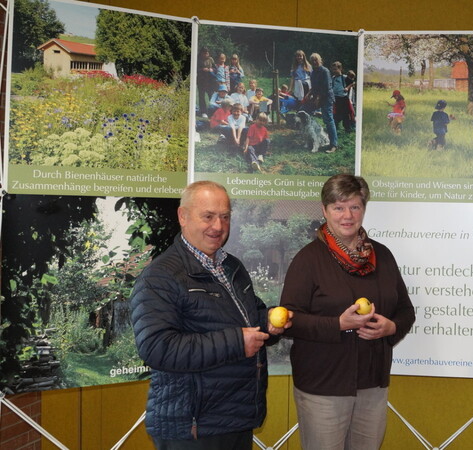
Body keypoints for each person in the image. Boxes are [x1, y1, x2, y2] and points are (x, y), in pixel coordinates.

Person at [130, 181, 291, 449]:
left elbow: (249, 317)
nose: (218, 226)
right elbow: (157, 348)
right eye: (208, 216)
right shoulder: (160, 276)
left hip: (234, 417)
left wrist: (269, 323)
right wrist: (237, 342)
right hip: (192, 428)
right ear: (183, 216)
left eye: (225, 217)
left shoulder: (231, 267)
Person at [280, 174, 416, 450]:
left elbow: (405, 310)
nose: (347, 215)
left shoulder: (383, 255)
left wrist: (391, 328)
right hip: (324, 386)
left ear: (364, 209)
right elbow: (289, 319)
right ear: (325, 210)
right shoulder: (309, 259)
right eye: (338, 207)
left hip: (372, 385)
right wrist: (337, 324)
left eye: (355, 207)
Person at [308, 53, 338, 153]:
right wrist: (309, 94)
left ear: (320, 60)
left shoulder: (325, 71)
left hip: (327, 97)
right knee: (307, 112)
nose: (314, 62)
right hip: (318, 97)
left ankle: (333, 145)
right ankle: (313, 140)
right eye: (312, 61)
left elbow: (326, 87)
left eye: (316, 60)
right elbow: (314, 87)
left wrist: (318, 98)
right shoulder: (313, 73)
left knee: (329, 120)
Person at [331, 61, 355, 133]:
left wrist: (347, 88)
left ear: (340, 69)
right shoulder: (333, 77)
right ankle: (335, 127)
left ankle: (347, 128)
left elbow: (352, 83)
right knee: (336, 113)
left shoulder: (344, 77)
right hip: (336, 98)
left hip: (343, 98)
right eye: (333, 69)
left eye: (335, 69)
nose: (334, 71)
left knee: (345, 114)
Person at [197, 47, 217, 117]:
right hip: (201, 80)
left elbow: (215, 69)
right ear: (201, 53)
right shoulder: (198, 59)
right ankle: (203, 112)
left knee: (211, 95)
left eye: (207, 53)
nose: (206, 54)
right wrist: (202, 69)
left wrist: (212, 69)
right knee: (201, 96)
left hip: (210, 80)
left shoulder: (211, 59)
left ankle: (212, 112)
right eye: (205, 53)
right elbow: (195, 69)